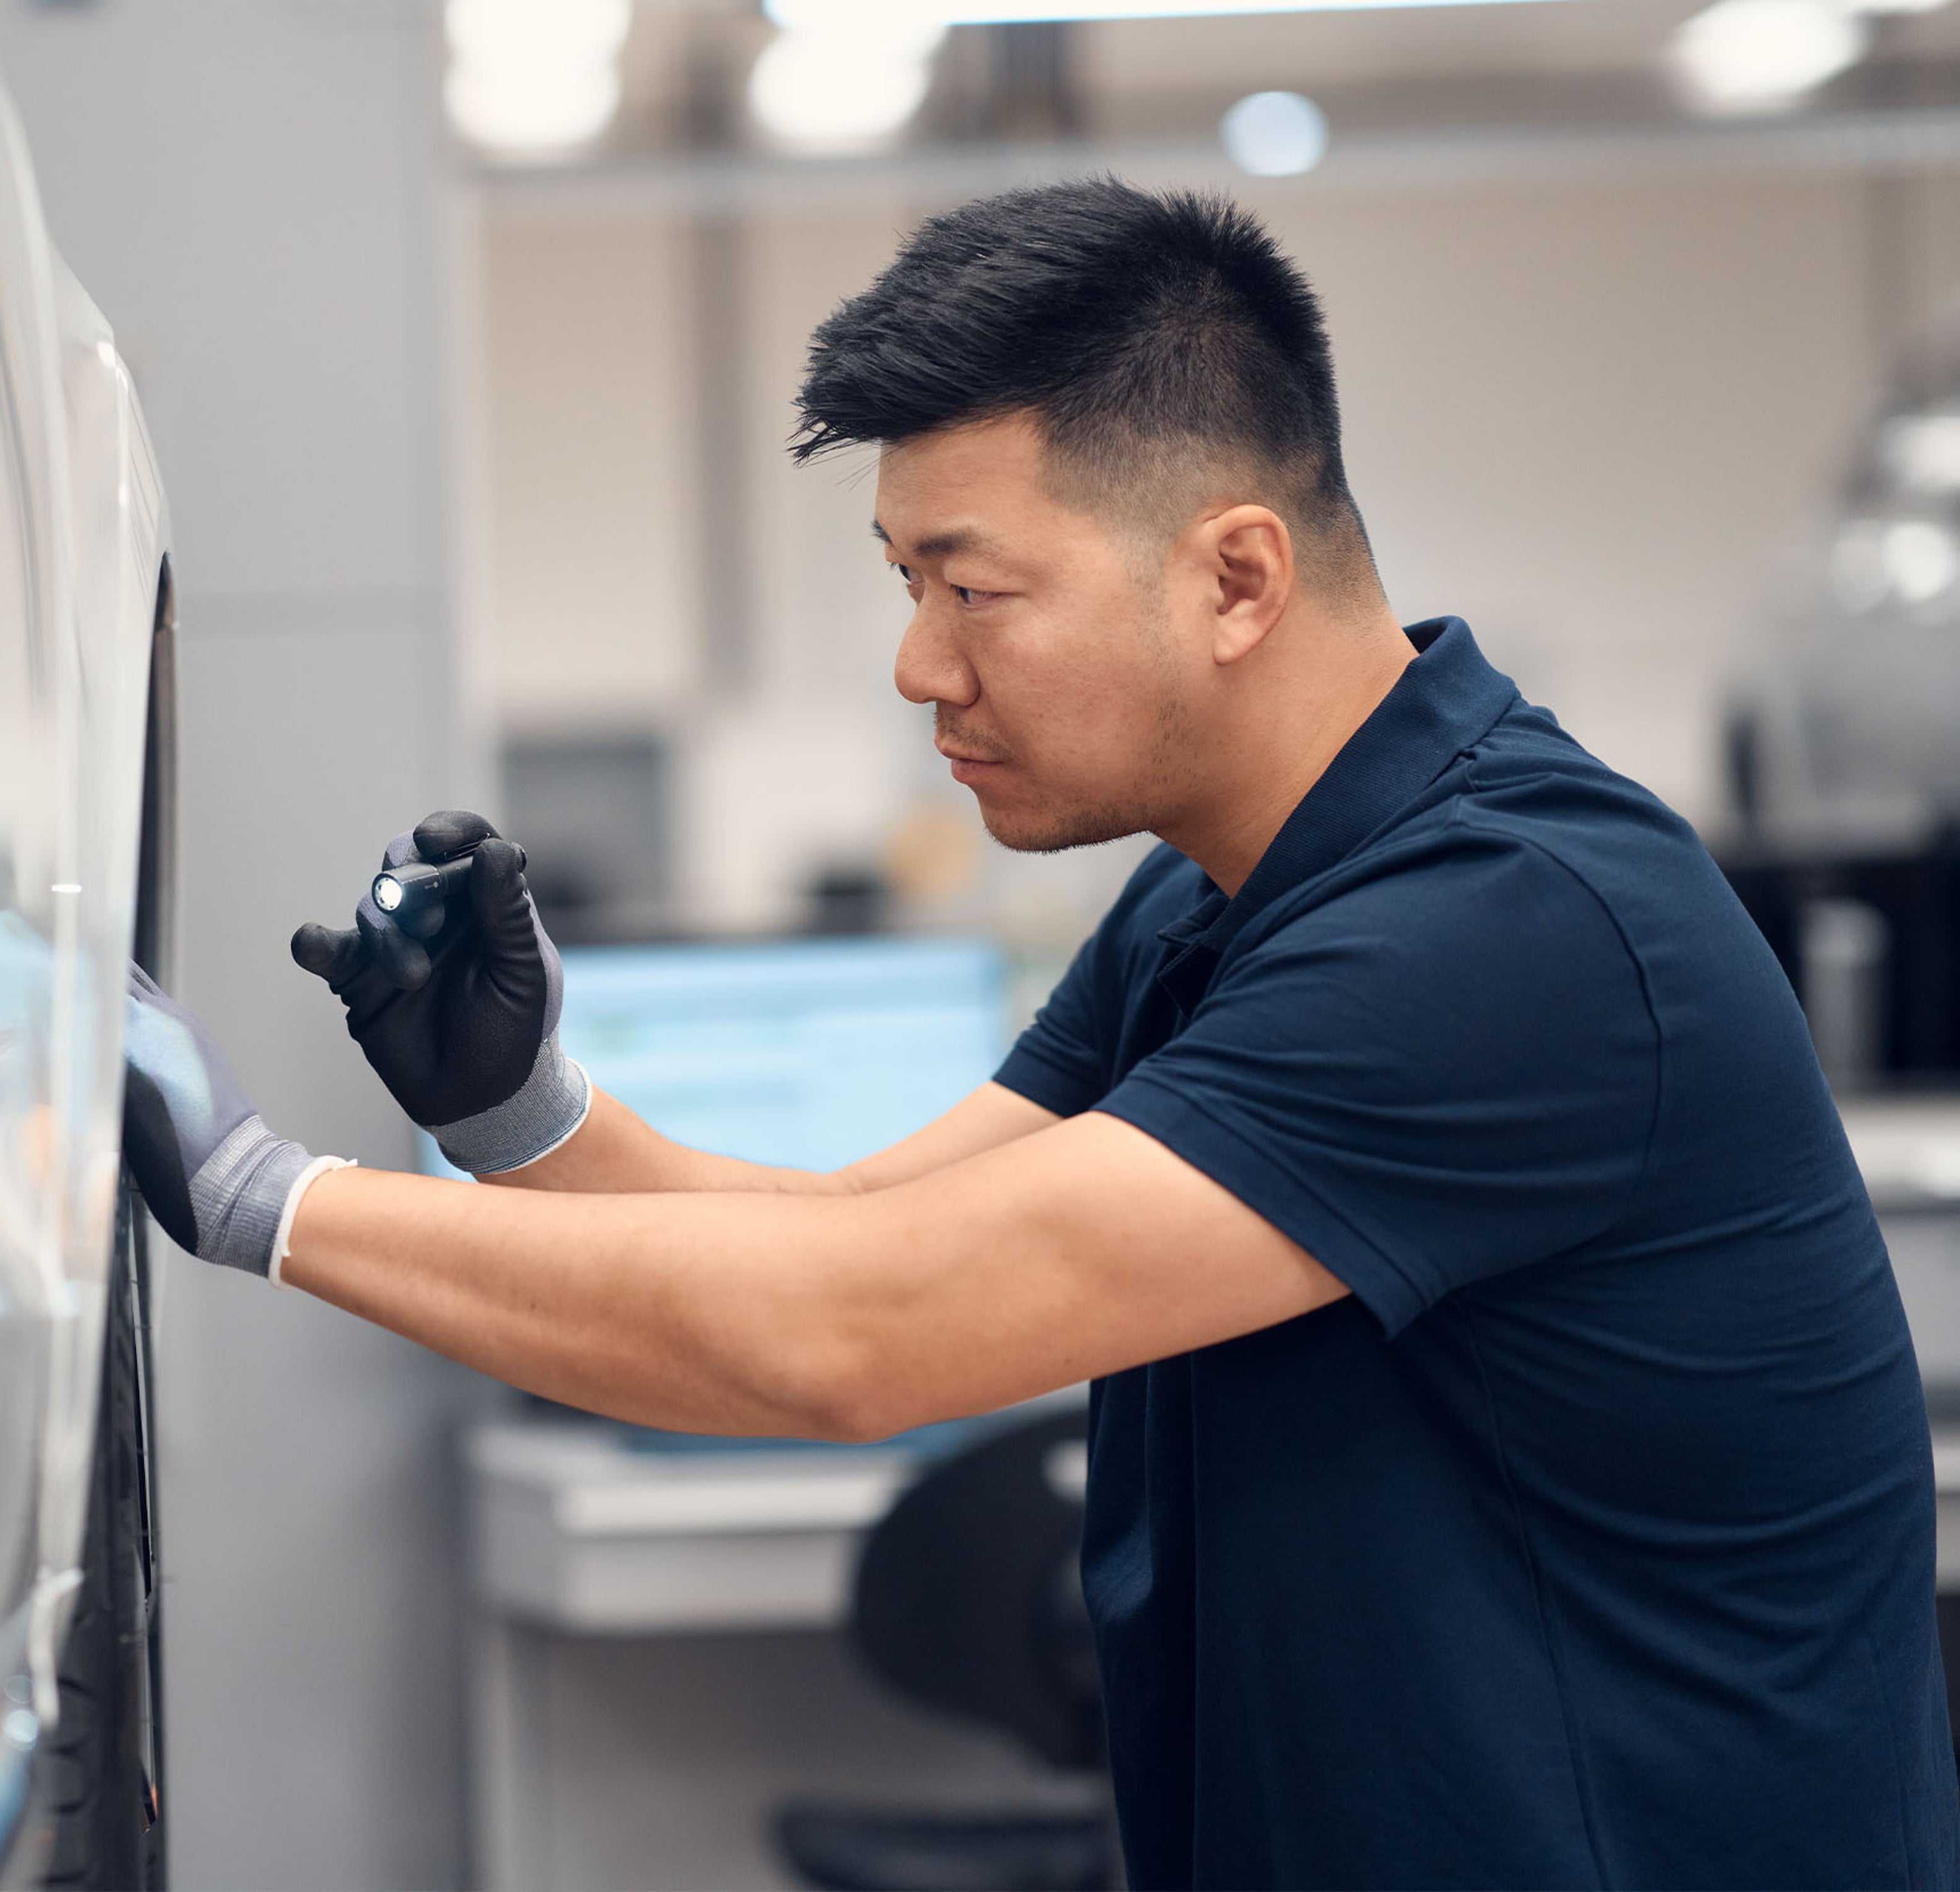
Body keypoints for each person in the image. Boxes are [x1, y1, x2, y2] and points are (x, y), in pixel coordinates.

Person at [120, 180, 1958, 1888]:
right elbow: (854, 1236)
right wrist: (524, 1117)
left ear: (1236, 579)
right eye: (905, 584)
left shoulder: (1511, 926)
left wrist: (260, 1194)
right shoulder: (1216, 898)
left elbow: (858, 1339)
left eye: (973, 587)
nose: (921, 666)